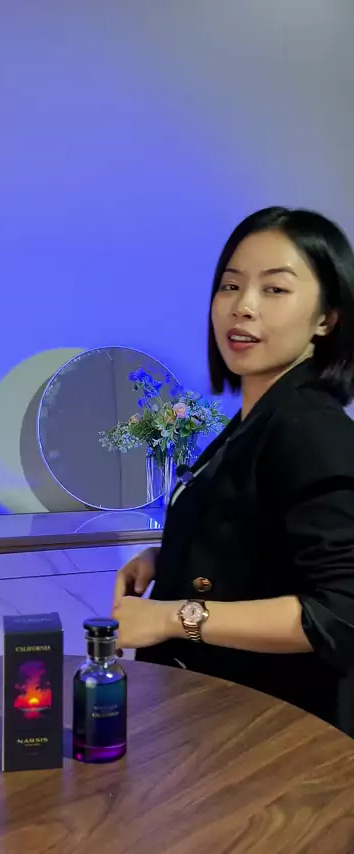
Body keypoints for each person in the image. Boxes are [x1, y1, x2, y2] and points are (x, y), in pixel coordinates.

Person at [112, 206, 354, 737]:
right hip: (217, 720)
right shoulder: (256, 418)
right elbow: (263, 537)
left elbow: (339, 614)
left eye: (275, 289)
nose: (243, 306)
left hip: (274, 737)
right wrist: (168, 559)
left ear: (326, 318)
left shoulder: (310, 428)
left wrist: (173, 616)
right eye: (230, 286)